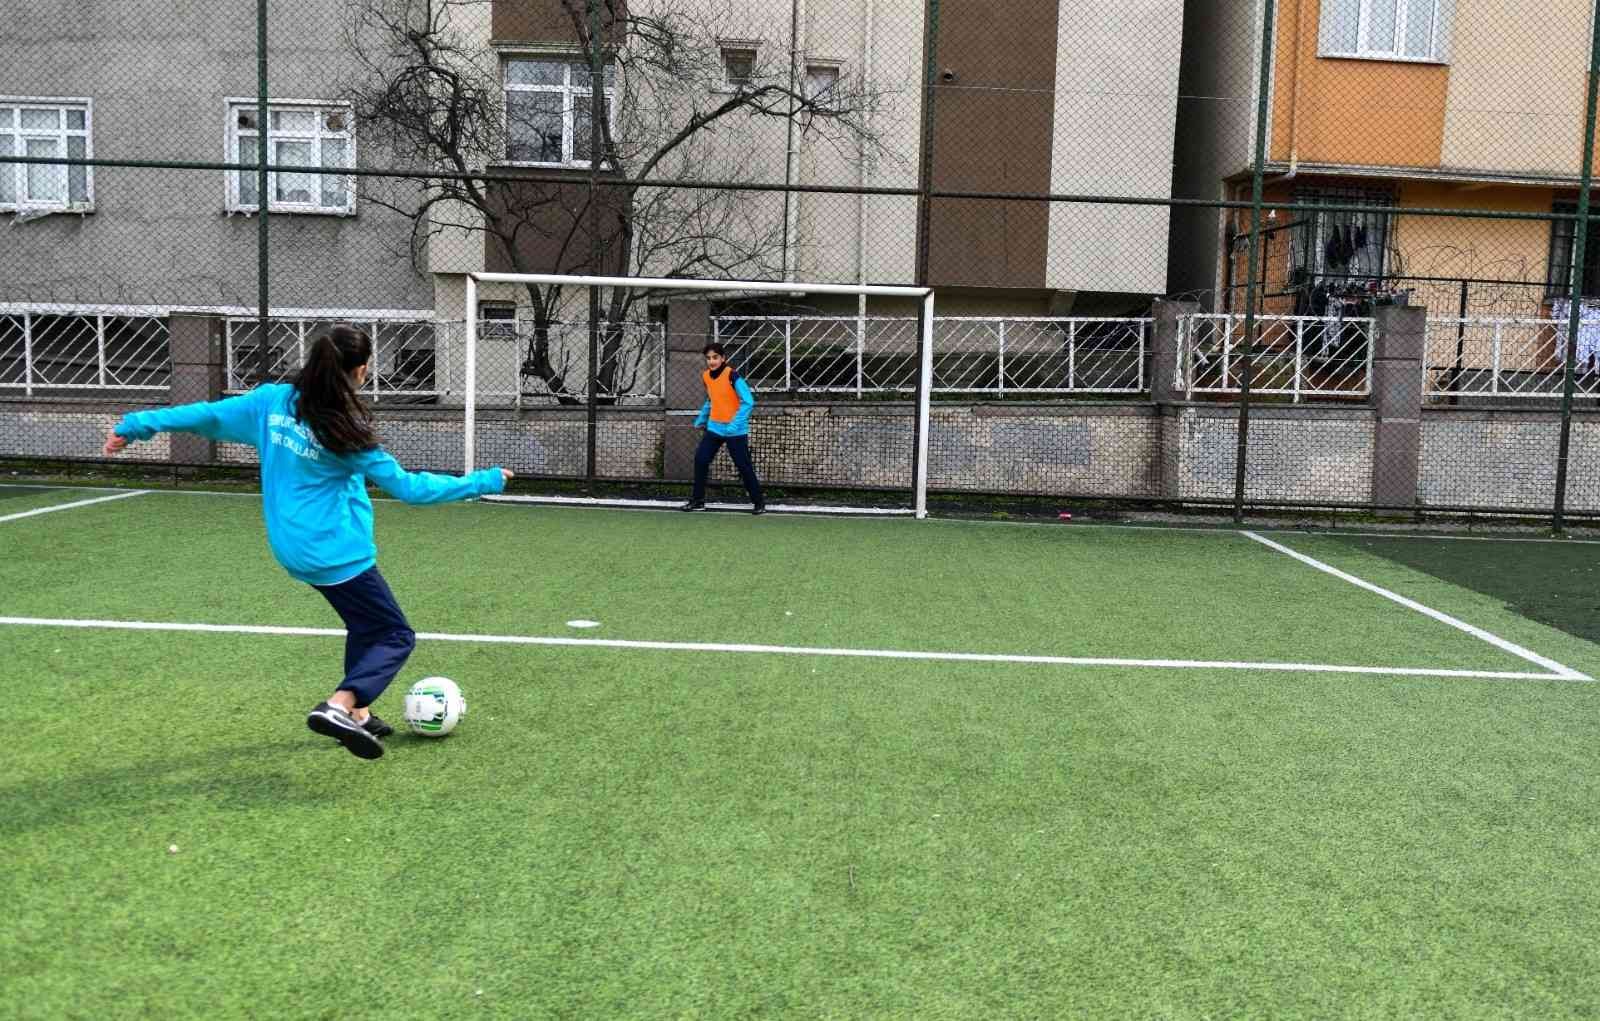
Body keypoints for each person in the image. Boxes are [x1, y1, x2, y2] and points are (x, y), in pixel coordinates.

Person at [103, 325, 511, 760]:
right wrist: (482, 481)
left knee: (365, 625)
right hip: (336, 552)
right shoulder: (344, 432)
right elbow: (411, 489)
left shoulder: (272, 403)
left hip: (290, 547)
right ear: (360, 370)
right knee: (395, 634)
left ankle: (360, 714)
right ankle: (340, 705)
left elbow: (205, 415)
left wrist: (136, 425)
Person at [681, 342, 765, 515]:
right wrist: (702, 418)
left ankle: (759, 503)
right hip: (714, 428)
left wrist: (734, 424)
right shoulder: (706, 376)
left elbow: (748, 401)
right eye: (708, 358)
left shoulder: (732, 375)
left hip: (735, 431)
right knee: (701, 460)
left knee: (743, 466)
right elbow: (712, 400)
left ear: (723, 358)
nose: (711, 361)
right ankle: (698, 501)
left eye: (715, 357)